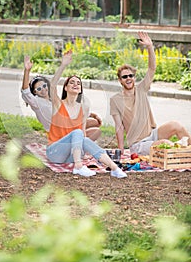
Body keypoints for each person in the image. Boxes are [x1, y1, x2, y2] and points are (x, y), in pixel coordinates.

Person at [46, 50, 127, 178]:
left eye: (78, 83)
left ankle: (114, 168)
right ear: (65, 88)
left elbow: (83, 133)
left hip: (71, 156)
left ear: (80, 90)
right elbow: (52, 85)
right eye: (71, 82)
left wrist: (86, 150)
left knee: (85, 139)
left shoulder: (83, 108)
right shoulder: (58, 104)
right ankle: (78, 167)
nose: (75, 84)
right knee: (77, 133)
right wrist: (63, 65)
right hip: (55, 152)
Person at [110, 31, 191, 156]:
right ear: (120, 80)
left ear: (134, 77)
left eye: (131, 75)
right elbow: (119, 127)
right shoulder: (115, 100)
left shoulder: (141, 89)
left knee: (176, 125)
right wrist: (121, 150)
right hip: (138, 144)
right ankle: (181, 151)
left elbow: (152, 68)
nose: (128, 78)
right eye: (124, 76)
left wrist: (149, 47)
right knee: (166, 144)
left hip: (153, 135)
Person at [21, 55, 102, 140]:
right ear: (35, 92)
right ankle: (76, 145)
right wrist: (27, 71)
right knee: (95, 131)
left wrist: (91, 114)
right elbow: (25, 91)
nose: (43, 89)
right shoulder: (36, 102)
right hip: (58, 134)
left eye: (44, 85)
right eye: (39, 88)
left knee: (94, 122)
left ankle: (79, 142)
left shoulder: (52, 100)